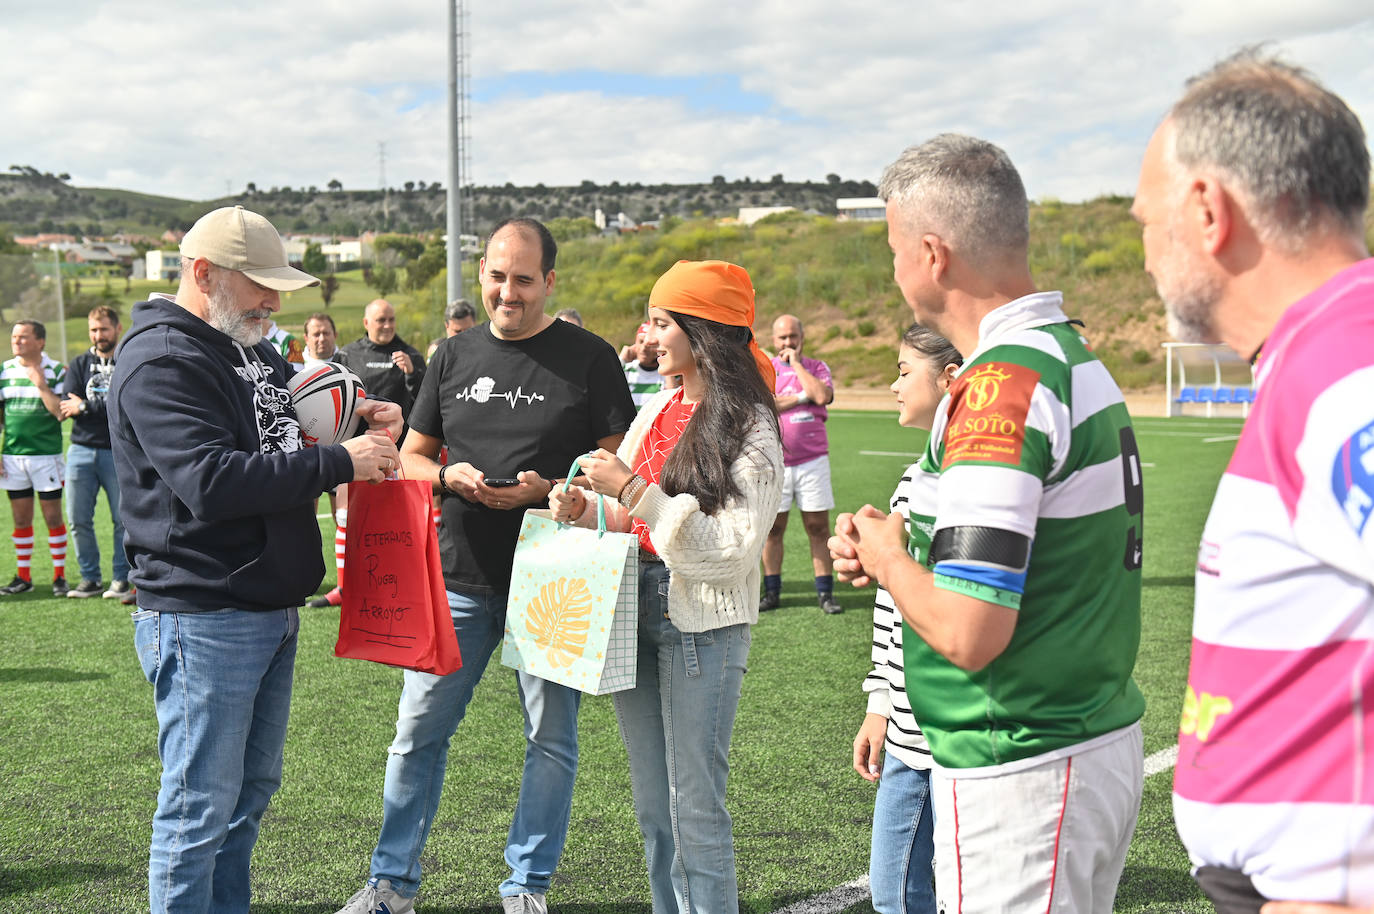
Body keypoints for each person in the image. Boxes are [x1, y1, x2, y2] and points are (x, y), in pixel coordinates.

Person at [829, 134, 1146, 913]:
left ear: (933, 255)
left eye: (895, 247)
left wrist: (891, 559)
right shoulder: (1067, 357)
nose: (894, 269)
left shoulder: (1002, 388)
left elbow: (972, 632)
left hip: (1023, 764)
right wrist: (897, 550)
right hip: (1076, 744)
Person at [1132, 51, 1374, 914]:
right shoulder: (1321, 350)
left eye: (1146, 222)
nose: (1149, 258)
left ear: (1206, 210)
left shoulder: (1345, 361)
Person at [336, 217, 636, 914]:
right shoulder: (452, 355)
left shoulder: (589, 358)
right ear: (481, 275)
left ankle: (526, 888)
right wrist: (448, 478)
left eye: (525, 280)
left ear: (550, 282)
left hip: (558, 575)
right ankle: (390, 885)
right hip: (460, 573)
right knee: (416, 733)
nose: (510, 292)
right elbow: (412, 456)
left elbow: (624, 470)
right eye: (498, 277)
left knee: (551, 740)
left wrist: (554, 492)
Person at [109, 204, 402, 914]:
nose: (275, 301)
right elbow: (210, 481)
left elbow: (282, 440)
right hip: (204, 610)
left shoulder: (253, 346)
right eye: (260, 284)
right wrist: (340, 462)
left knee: (244, 801)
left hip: (267, 604)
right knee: (198, 810)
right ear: (203, 273)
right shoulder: (161, 358)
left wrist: (362, 417)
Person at [551, 259, 783, 914]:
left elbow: (728, 555)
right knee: (655, 809)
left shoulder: (753, 428)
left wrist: (629, 489)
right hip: (634, 610)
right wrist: (590, 509)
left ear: (701, 331)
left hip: (701, 627)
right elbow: (633, 519)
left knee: (695, 810)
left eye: (661, 322)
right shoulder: (658, 405)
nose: (649, 335)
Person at [853, 323, 960, 914]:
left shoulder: (954, 480)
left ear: (950, 379)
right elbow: (893, 604)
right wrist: (880, 704)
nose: (893, 385)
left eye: (902, 370)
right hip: (909, 730)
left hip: (940, 737)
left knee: (904, 896)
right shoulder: (917, 476)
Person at [762, 314, 841, 613]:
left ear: (802, 337)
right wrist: (801, 396)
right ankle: (772, 592)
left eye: (792, 336)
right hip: (775, 461)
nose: (787, 342)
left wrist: (796, 365)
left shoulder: (817, 367)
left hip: (813, 461)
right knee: (773, 530)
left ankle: (825, 594)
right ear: (774, 340)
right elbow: (768, 402)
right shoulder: (766, 369)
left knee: (818, 527)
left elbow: (822, 395)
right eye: (782, 338)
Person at [58, 305, 132, 601]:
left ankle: (121, 579)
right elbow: (67, 404)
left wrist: (86, 406)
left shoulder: (128, 360)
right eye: (93, 330)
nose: (98, 335)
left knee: (122, 520)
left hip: (118, 452)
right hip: (80, 450)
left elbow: (124, 405)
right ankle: (90, 579)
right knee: (77, 519)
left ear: (117, 329)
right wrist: (95, 407)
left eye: (103, 329)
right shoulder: (78, 364)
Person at [0, 319, 68, 595]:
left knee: (53, 518)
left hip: (46, 457)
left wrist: (41, 385)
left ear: (40, 341)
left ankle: (60, 577)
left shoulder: (56, 371)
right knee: (20, 520)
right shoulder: (4, 370)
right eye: (15, 336)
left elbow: (60, 413)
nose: (17, 341)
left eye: (24, 337)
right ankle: (24, 578)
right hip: (13, 458)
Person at [300, 310, 347, 611]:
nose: (321, 338)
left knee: (343, 519)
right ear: (306, 338)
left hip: (342, 453)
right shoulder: (292, 368)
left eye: (325, 332)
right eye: (315, 333)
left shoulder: (347, 366)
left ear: (335, 335)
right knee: (304, 518)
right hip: (306, 455)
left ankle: (346, 585)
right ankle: (303, 578)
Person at [339, 298, 426, 418]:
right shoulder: (347, 355)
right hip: (359, 434)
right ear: (366, 323)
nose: (387, 326)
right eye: (381, 320)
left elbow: (427, 401)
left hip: (398, 433)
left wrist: (412, 374)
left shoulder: (411, 356)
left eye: (391, 320)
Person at [621, 321, 667, 409]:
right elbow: (603, 387)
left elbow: (672, 401)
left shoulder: (668, 374)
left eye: (650, 344)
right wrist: (622, 360)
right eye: (641, 342)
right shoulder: (626, 369)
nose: (644, 348)